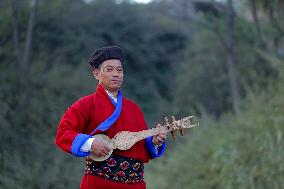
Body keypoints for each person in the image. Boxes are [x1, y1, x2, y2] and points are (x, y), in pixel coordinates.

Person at [55, 46, 167, 189]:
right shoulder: (85, 104)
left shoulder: (134, 109)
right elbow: (63, 133)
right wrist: (90, 143)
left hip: (135, 185)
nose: (116, 74)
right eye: (109, 69)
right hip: (99, 184)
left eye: (119, 70)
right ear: (96, 73)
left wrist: (155, 141)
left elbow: (141, 148)